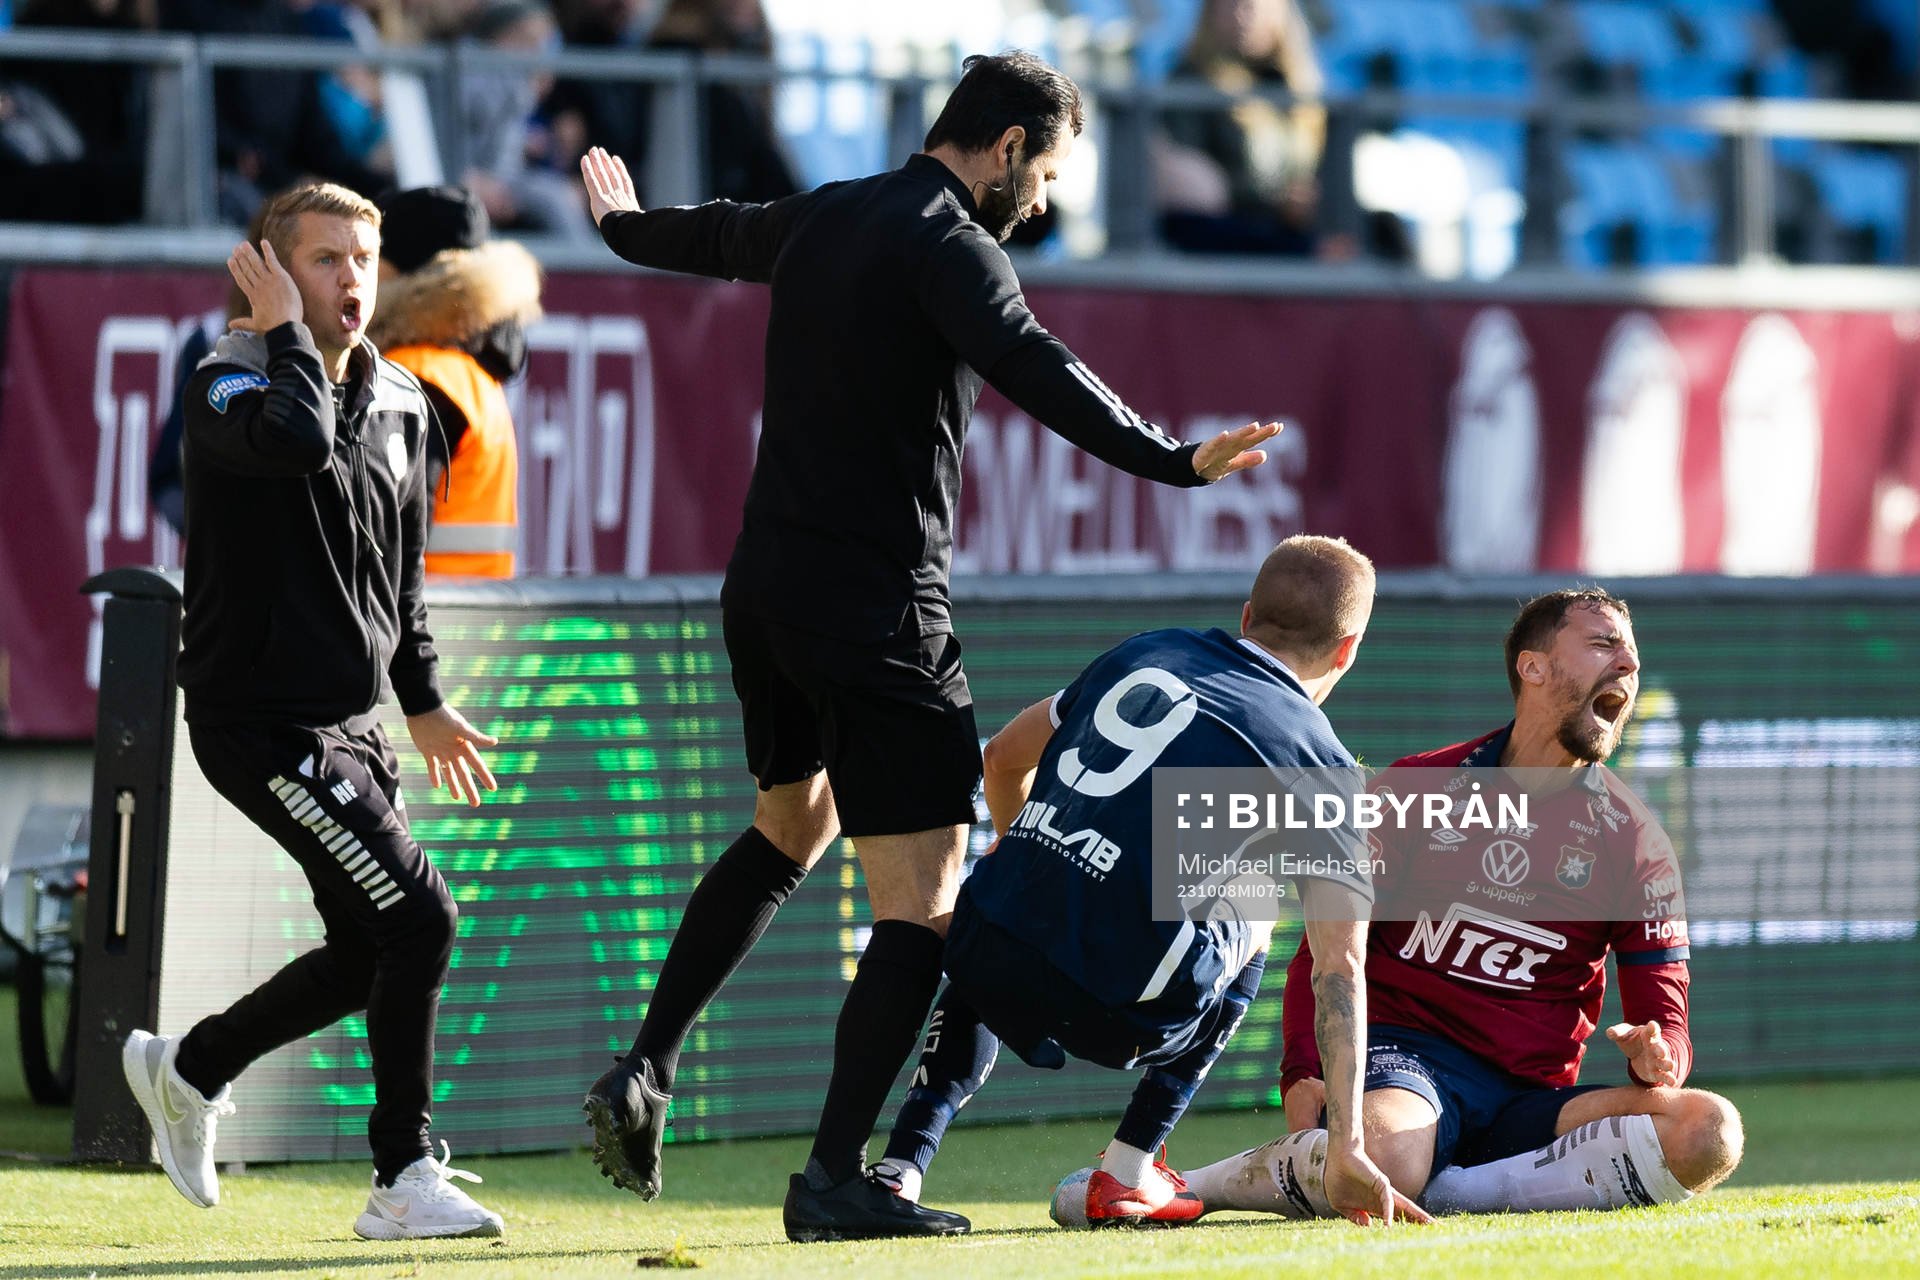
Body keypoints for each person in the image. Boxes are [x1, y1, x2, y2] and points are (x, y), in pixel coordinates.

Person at [572, 50, 1284, 1242]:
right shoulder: (955, 247)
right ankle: (833, 1177)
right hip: (880, 614)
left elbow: (715, 234)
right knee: (927, 897)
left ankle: (647, 1061)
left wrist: (624, 228)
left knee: (789, 826)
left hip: (766, 593)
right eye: (1044, 173)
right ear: (1005, 146)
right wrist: (1172, 459)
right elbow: (1037, 365)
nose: (1042, 203)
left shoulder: (831, 210)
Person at [119, 182, 508, 1241]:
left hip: (354, 726)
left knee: (372, 947)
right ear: (270, 272)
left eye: (363, 259)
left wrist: (423, 702)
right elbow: (295, 439)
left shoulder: (401, 400)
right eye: (324, 259)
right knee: (423, 916)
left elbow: (403, 580)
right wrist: (284, 331)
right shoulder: (228, 383)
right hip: (261, 725)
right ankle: (403, 1173)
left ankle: (189, 1067)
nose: (351, 279)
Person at [871, 536, 1427, 1230]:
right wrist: (1345, 1146)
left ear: (1247, 615)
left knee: (1017, 902)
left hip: (985, 948)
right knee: (1258, 901)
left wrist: (1035, 862)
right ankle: (1128, 1168)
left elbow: (1002, 759)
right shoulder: (1324, 765)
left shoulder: (1146, 652)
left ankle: (899, 1167)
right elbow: (1339, 968)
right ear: (1347, 650)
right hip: (1119, 1011)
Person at [1174, 588, 1745, 1218]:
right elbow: (1326, 948)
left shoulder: (1636, 840)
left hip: (1531, 1100)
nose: (1628, 665)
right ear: (1533, 667)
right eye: (1603, 644)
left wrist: (1660, 1054)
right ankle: (1196, 1185)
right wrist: (1303, 1070)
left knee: (1708, 1131)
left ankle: (1449, 1189)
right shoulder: (1418, 788)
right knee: (1389, 1154)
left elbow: (1666, 1016)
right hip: (1404, 1066)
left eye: (1631, 654)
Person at [370, 184, 542, 577]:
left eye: (369, 258)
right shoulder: (467, 374)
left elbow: (391, 537)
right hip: (474, 607)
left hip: (427, 609)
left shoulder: (417, 376)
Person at [1155, 0, 1327, 257]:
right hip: (1225, 233)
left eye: (1253, 5)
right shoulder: (1189, 83)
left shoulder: (1296, 88)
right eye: (1232, 5)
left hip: (1287, 227)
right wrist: (1278, 205)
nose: (1243, 15)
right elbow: (1194, 184)